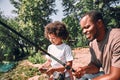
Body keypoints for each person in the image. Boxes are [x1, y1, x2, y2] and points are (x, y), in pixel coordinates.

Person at [74, 10, 120, 80]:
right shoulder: (93, 44)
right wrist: (84, 69)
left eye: (87, 27)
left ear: (99, 23)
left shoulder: (117, 37)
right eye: (83, 29)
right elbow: (95, 66)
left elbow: (116, 76)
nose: (84, 31)